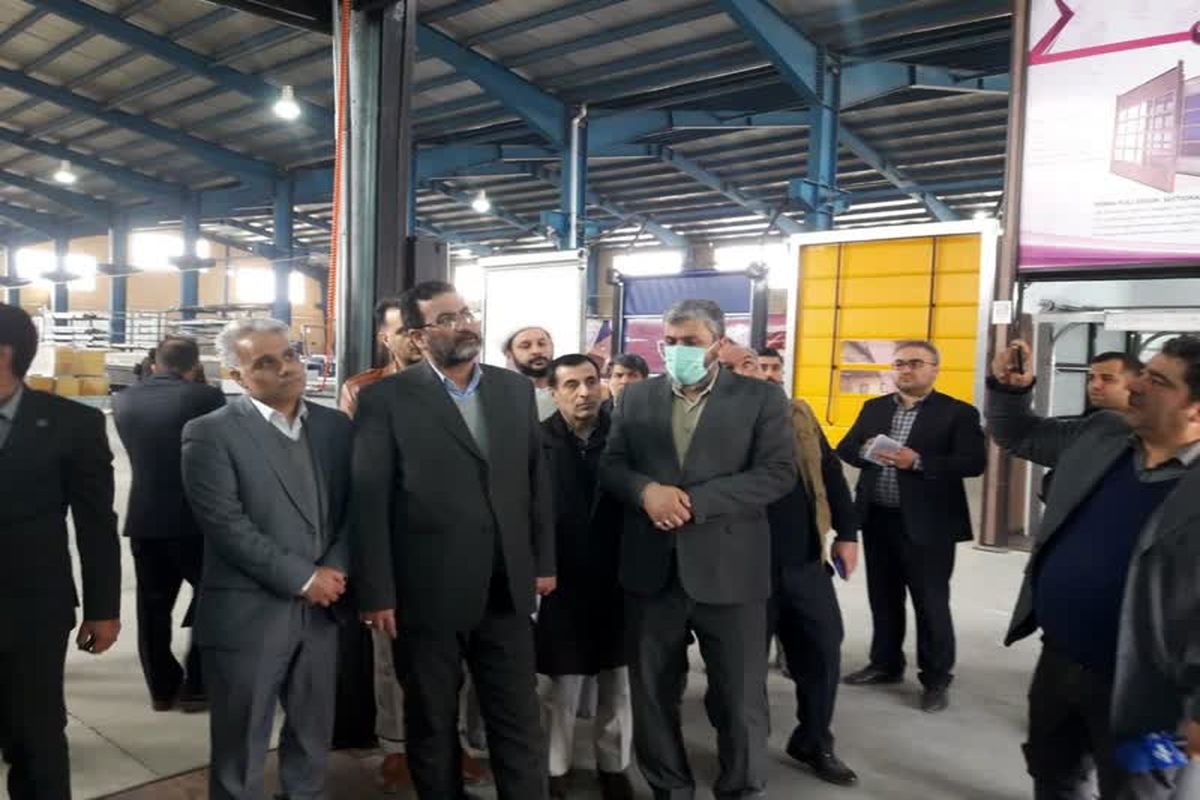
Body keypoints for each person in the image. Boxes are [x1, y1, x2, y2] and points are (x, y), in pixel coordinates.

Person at [353, 281, 555, 799]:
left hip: (505, 586)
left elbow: (535, 482)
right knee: (432, 720)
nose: (464, 324)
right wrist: (377, 592)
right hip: (426, 592)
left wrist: (542, 562)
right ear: (418, 337)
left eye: (466, 313)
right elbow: (370, 501)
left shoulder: (514, 392)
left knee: (518, 717)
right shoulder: (385, 400)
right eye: (446, 318)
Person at [599, 299, 795, 800]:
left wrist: (694, 502)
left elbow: (777, 474)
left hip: (730, 570)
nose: (678, 350)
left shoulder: (761, 399)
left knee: (740, 694)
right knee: (653, 693)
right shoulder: (635, 398)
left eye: (691, 342)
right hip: (652, 570)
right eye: (670, 341)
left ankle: (741, 785)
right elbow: (612, 466)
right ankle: (669, 786)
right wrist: (646, 491)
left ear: (718, 342)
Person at [988, 338, 1200, 798]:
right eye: (1143, 373)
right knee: (1052, 774)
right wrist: (1010, 391)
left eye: (1157, 381)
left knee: (1135, 791)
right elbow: (1019, 434)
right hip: (1059, 658)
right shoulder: (1102, 433)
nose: (1136, 385)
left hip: (1150, 691)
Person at [182, 318, 353, 800]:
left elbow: (354, 509)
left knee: (313, 736)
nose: (286, 368)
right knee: (241, 748)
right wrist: (304, 578)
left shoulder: (335, 428)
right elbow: (226, 525)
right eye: (266, 362)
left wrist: (336, 569)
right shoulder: (210, 434)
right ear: (237, 376)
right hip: (248, 615)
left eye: (290, 355)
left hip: (322, 613)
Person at [717, 344, 860, 786]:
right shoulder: (707, 423)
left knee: (823, 648)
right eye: (738, 367)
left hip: (803, 561)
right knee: (744, 668)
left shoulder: (796, 414)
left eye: (756, 365)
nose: (755, 372)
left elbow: (830, 473)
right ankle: (744, 750)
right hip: (741, 568)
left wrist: (848, 534)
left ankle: (814, 740)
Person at [0, 303, 121, 800]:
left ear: (5, 353)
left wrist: (103, 609)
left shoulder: (72, 424)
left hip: (32, 608)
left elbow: (96, 525)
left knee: (36, 735)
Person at [836, 340, 986, 713]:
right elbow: (845, 448)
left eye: (916, 363)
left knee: (930, 602)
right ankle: (885, 664)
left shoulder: (957, 413)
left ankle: (936, 678)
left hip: (929, 524)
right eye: (900, 364)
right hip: (878, 518)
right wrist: (865, 450)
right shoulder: (874, 409)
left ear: (935, 368)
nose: (906, 370)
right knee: (883, 597)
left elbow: (973, 462)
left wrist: (918, 462)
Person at [537, 354, 634, 800]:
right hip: (559, 577)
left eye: (592, 382)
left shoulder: (625, 439)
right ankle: (553, 769)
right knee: (560, 681)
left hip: (618, 576)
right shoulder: (536, 442)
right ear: (553, 392)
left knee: (618, 679)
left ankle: (614, 766)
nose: (584, 393)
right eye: (571, 385)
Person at [112, 336, 225, 713]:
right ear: (195, 365)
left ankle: (162, 689)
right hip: (195, 520)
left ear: (155, 363)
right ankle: (198, 685)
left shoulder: (124, 399)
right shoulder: (205, 397)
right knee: (210, 599)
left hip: (145, 517)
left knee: (152, 607)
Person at [1041, 351, 1143, 500]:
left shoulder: (1145, 435)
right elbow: (1022, 437)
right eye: (1091, 378)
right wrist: (1015, 390)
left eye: (1107, 379)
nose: (1095, 385)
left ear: (1136, 385)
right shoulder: (1090, 425)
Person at [339, 296, 423, 417]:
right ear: (385, 339)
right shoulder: (359, 388)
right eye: (404, 332)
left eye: (419, 330)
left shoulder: (447, 383)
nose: (415, 338)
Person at [504, 325, 557, 420]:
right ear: (509, 354)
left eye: (542, 344)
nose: (536, 351)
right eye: (525, 346)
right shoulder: (502, 395)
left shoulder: (569, 391)